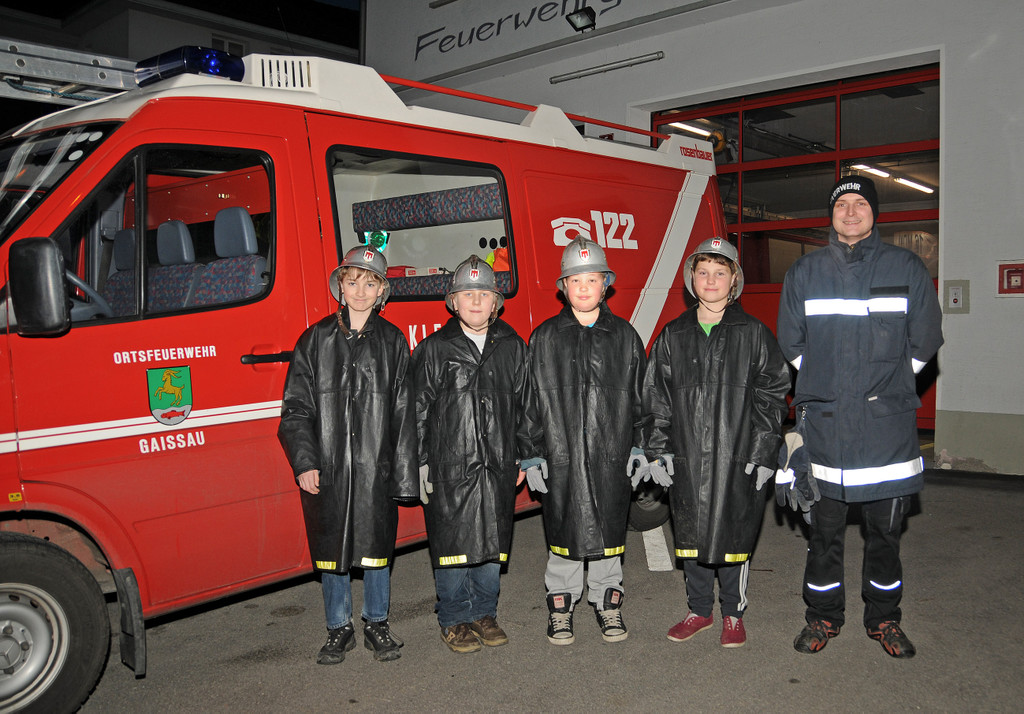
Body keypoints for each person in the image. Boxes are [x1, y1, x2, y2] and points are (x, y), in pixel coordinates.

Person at [776, 176, 943, 658]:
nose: (851, 212)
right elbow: (791, 342)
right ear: (831, 215)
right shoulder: (805, 272)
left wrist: (887, 382)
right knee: (822, 534)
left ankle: (884, 619)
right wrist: (831, 384)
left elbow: (926, 338)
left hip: (886, 431)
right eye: (842, 204)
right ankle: (823, 618)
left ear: (874, 213)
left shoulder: (906, 267)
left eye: (860, 204)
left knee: (885, 536)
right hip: (825, 427)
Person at [642, 237, 790, 649]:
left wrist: (763, 451)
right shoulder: (673, 335)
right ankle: (699, 610)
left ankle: (733, 613)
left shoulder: (754, 333)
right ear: (692, 279)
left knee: (733, 537)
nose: (711, 280)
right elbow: (656, 397)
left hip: (736, 456)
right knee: (691, 538)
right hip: (687, 456)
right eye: (703, 272)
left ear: (734, 280)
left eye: (720, 273)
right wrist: (657, 449)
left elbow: (773, 393)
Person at [278, 244, 417, 665]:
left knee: (376, 547)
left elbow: (405, 411)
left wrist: (404, 474)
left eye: (370, 283)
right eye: (353, 281)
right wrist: (305, 462)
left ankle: (377, 623)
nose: (360, 290)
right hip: (330, 467)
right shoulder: (314, 340)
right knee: (332, 551)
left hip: (377, 466)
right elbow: (296, 408)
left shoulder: (393, 342)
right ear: (340, 285)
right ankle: (338, 628)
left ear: (382, 292)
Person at [522, 236, 647, 645]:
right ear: (563, 287)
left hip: (611, 454)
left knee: (609, 533)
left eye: (591, 280)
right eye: (575, 281)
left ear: (605, 284)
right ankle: (561, 608)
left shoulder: (626, 337)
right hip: (561, 455)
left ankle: (608, 603)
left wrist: (641, 446)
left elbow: (643, 397)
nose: (583, 288)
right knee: (565, 532)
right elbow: (529, 402)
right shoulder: (544, 338)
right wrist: (530, 454)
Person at [411, 255, 531, 654]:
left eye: (484, 294)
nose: (476, 301)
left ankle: (484, 613)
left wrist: (525, 455)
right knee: (453, 548)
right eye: (467, 294)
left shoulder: (513, 346)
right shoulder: (433, 350)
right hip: (450, 466)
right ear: (453, 302)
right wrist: (421, 461)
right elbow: (417, 410)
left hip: (497, 463)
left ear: (496, 303)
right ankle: (453, 619)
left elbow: (526, 406)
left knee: (491, 545)